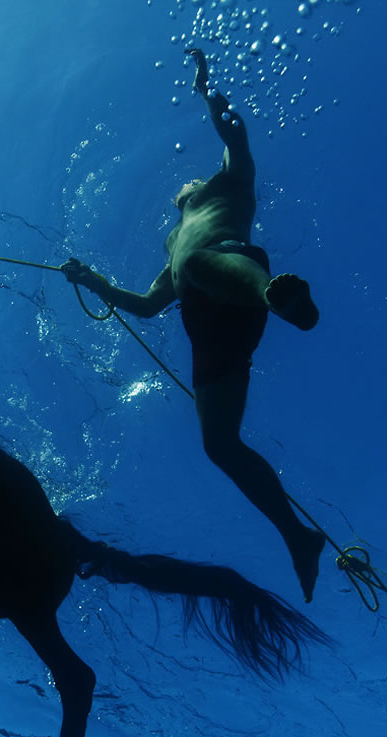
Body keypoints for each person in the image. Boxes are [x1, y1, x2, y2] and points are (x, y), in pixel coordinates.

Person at [61, 47, 324, 603]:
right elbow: (144, 305)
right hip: (213, 333)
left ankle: (277, 298)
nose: (180, 188)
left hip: (235, 273)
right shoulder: (173, 246)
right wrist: (91, 280)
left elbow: (236, 137)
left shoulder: (226, 187)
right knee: (218, 445)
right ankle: (297, 537)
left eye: (186, 182)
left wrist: (206, 88)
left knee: (202, 264)